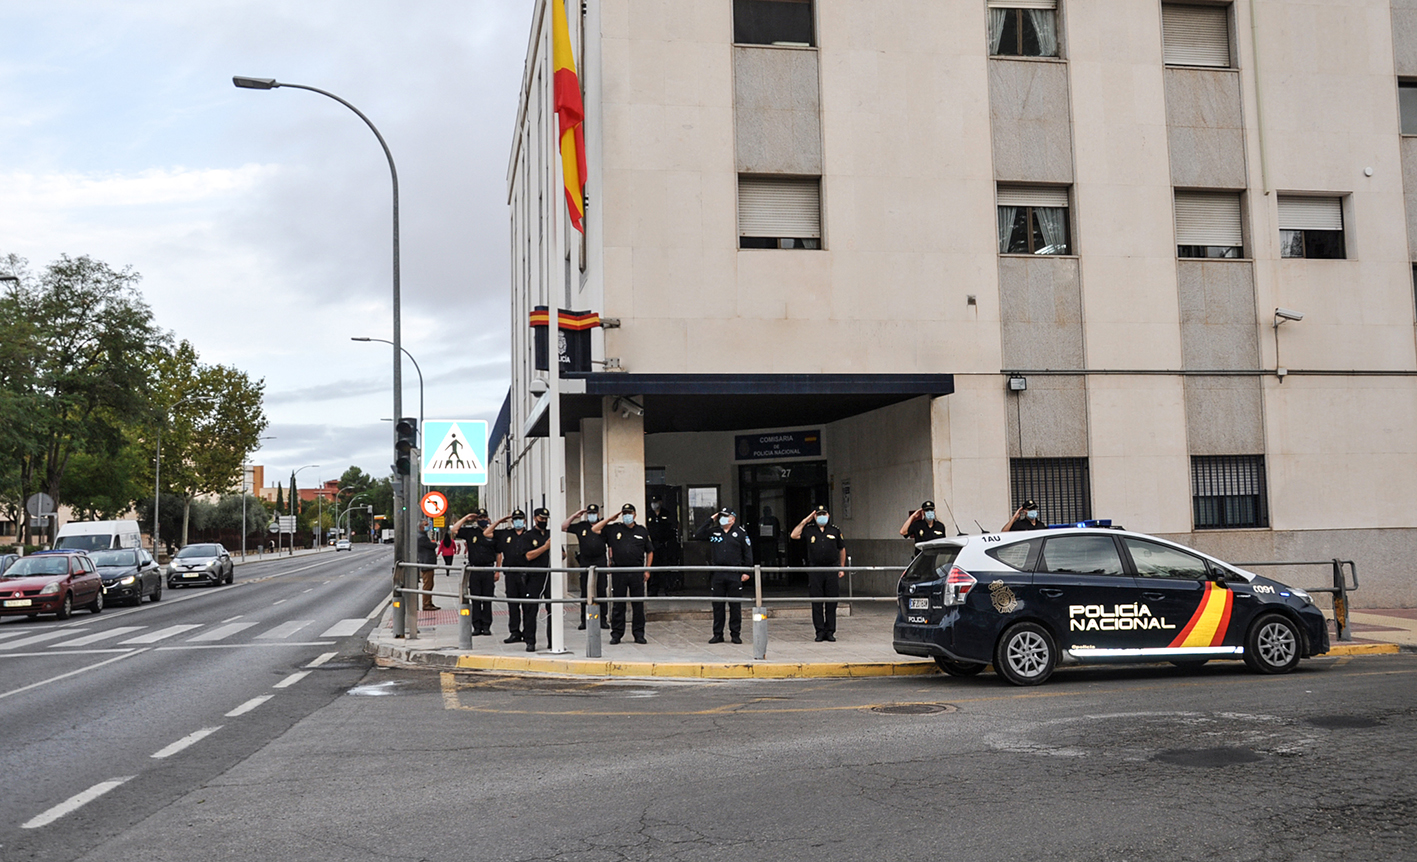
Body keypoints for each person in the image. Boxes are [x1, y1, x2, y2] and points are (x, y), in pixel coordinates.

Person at [485, 508, 549, 650]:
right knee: (513, 605)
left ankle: (528, 634)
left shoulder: (529, 535)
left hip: (527, 573)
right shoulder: (506, 534)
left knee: (528, 606)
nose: (518, 522)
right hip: (511, 573)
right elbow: (487, 533)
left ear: (525, 520)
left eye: (520, 519)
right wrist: (500, 521)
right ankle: (514, 632)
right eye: (515, 519)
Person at [592, 503, 654, 644]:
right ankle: (617, 634)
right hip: (619, 571)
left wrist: (647, 569)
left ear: (635, 515)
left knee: (638, 605)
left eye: (630, 513)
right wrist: (610, 519)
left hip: (636, 571)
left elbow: (650, 551)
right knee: (618, 604)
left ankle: (639, 634)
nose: (627, 516)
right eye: (625, 513)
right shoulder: (615, 529)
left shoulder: (641, 530)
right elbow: (595, 529)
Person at [694, 507, 752, 644]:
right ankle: (718, 634)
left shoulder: (741, 533)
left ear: (733, 518)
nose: (723, 518)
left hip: (734, 574)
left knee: (735, 607)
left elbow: (748, 553)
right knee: (718, 606)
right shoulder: (714, 532)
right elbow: (698, 534)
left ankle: (735, 634)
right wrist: (711, 519)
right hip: (718, 574)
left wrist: (746, 572)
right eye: (721, 516)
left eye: (726, 516)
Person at [791, 505, 847, 642]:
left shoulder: (834, 530)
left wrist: (842, 567)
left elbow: (842, 549)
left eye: (824, 514)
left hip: (831, 569)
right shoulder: (809, 530)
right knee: (816, 602)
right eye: (818, 514)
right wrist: (805, 520)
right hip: (815, 570)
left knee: (831, 602)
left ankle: (830, 631)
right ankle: (819, 631)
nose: (822, 517)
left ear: (828, 515)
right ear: (815, 516)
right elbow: (794, 535)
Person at [450, 508, 498, 636]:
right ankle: (476, 626)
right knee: (475, 599)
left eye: (484, 518)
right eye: (479, 518)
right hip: (474, 569)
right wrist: (466, 517)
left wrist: (498, 570)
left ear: (487, 519)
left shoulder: (493, 533)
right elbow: (454, 529)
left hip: (488, 569)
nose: (482, 520)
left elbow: (499, 553)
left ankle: (486, 626)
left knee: (487, 599)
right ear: (476, 520)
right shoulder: (471, 532)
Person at [562, 504, 610, 631]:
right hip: (585, 561)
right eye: (589, 513)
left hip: (600, 560)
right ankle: (584, 620)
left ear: (598, 514)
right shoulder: (581, 526)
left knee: (601, 590)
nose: (592, 515)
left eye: (594, 513)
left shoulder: (603, 526)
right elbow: (563, 527)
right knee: (585, 591)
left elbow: (610, 545)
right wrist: (574, 516)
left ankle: (602, 619)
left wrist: (611, 560)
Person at [645, 495, 679, 596]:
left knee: (664, 567)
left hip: (664, 545)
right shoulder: (648, 514)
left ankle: (665, 589)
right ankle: (653, 590)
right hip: (652, 545)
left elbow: (673, 528)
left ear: (661, 502)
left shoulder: (666, 514)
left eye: (656, 502)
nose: (654, 504)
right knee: (653, 568)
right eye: (653, 502)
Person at [416, 518, 440, 611]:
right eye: (426, 525)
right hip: (426, 563)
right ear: (421, 527)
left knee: (430, 584)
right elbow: (432, 545)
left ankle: (428, 602)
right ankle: (426, 604)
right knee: (427, 585)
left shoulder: (423, 536)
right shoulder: (422, 538)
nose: (428, 527)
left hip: (427, 563)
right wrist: (433, 543)